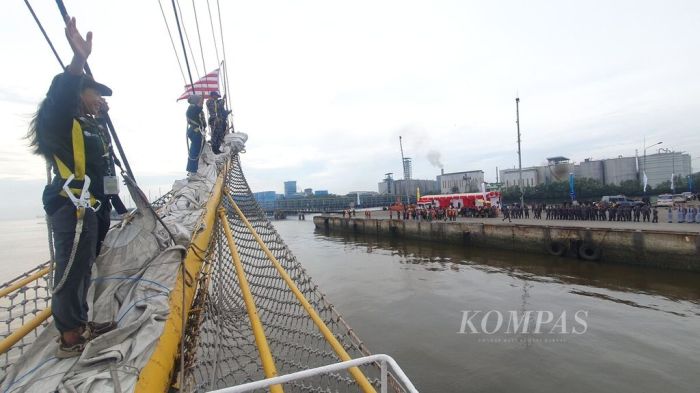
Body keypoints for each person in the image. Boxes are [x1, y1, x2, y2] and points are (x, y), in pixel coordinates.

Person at [26, 17, 116, 357]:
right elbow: (60, 95)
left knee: (83, 267)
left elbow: (102, 165)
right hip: (70, 205)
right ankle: (70, 337)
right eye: (96, 93)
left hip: (91, 206)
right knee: (71, 267)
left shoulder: (87, 125)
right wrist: (78, 62)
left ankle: (80, 323)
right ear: (79, 91)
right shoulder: (59, 119)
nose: (99, 100)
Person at [186, 94, 206, 176]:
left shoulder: (192, 108)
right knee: (195, 151)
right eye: (198, 100)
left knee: (195, 150)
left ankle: (193, 170)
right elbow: (200, 107)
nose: (200, 101)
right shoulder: (192, 108)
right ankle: (192, 171)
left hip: (195, 131)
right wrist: (203, 97)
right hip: (195, 131)